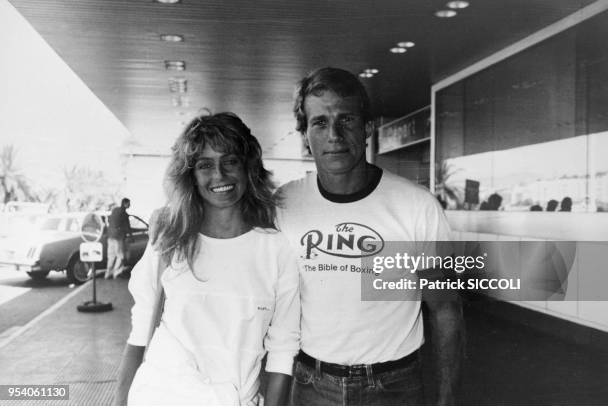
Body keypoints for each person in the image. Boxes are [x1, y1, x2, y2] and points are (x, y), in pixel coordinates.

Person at [277, 67, 464, 406]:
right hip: (311, 386)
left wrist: (448, 396)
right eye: (319, 122)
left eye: (345, 119)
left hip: (394, 388)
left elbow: (445, 308)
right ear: (305, 134)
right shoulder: (284, 204)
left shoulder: (416, 206)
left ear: (366, 127)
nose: (334, 134)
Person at [113, 113, 299, 406]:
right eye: (205, 165)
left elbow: (283, 348)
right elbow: (140, 330)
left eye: (230, 161)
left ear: (248, 167)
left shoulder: (277, 248)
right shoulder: (170, 240)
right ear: (191, 175)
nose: (219, 175)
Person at [106, 198, 131, 279]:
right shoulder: (124, 213)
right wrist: (131, 236)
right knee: (120, 255)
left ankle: (108, 273)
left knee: (111, 255)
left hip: (110, 236)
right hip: (118, 237)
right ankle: (116, 272)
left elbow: (110, 220)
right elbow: (127, 227)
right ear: (125, 204)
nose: (130, 205)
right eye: (129, 204)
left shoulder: (115, 210)